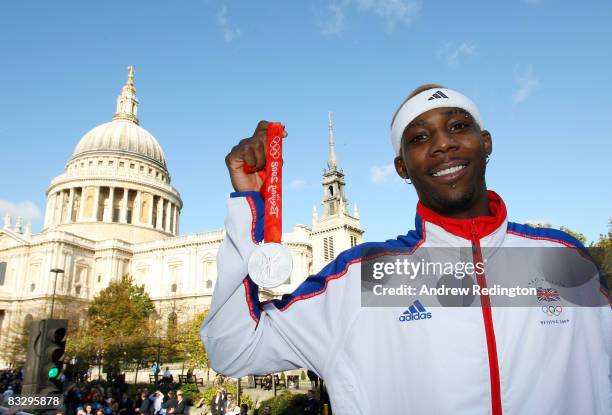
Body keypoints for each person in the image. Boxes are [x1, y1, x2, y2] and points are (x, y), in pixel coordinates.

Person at [201, 85, 611, 414]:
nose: (442, 145)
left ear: (484, 143)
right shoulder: (363, 278)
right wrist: (250, 210)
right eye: (419, 137)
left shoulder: (564, 258)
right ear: (402, 166)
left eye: (457, 127)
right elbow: (234, 349)